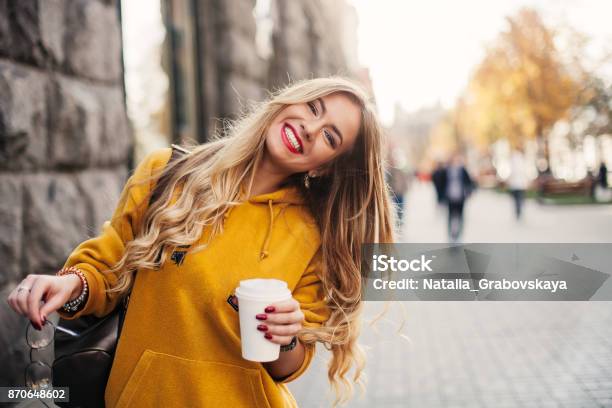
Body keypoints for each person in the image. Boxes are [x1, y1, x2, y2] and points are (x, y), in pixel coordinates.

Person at [6, 77, 395, 407]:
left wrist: (287, 335)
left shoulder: (313, 236)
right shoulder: (168, 174)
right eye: (313, 107)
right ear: (288, 101)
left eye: (330, 135)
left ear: (325, 165)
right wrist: (70, 284)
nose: (311, 127)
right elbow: (109, 265)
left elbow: (289, 367)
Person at [439, 152, 474, 243]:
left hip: (461, 197)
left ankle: (459, 235)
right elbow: (441, 183)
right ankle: (451, 235)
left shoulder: (463, 170)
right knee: (450, 216)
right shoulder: (446, 170)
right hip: (450, 196)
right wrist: (441, 197)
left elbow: (469, 182)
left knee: (460, 216)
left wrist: (469, 192)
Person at [507, 147, 529, 220]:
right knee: (520, 198)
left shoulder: (513, 160)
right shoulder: (522, 160)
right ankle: (519, 211)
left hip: (515, 184)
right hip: (520, 184)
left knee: (516, 199)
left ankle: (518, 211)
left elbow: (511, 172)